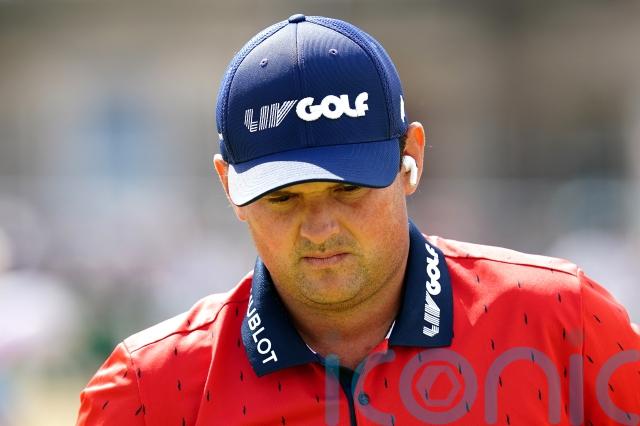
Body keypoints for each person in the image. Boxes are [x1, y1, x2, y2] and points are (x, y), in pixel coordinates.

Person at [76, 14, 639, 425]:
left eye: (349, 189)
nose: (320, 227)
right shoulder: (149, 387)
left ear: (410, 157)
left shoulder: (562, 318)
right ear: (229, 187)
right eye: (283, 199)